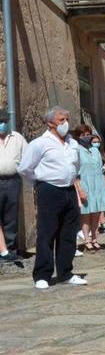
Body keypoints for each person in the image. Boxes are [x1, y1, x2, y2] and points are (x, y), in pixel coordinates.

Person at [18, 107, 88, 289]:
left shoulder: (72, 143)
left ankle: (65, 272)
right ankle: (43, 274)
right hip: (49, 189)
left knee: (68, 234)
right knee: (47, 233)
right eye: (61, 120)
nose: (65, 123)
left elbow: (75, 166)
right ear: (50, 123)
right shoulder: (40, 143)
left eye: (67, 119)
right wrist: (39, 184)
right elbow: (25, 168)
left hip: (69, 189)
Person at [76, 130, 105, 252]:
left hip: (97, 183)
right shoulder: (77, 151)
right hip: (85, 183)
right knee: (86, 213)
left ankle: (95, 238)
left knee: (96, 212)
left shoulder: (95, 150)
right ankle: (87, 239)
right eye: (85, 135)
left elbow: (100, 167)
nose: (88, 137)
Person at [0, 109, 27, 262]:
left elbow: (28, 156)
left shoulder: (16, 138)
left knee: (11, 216)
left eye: (4, 121)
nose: (2, 124)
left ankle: (10, 249)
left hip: (13, 180)